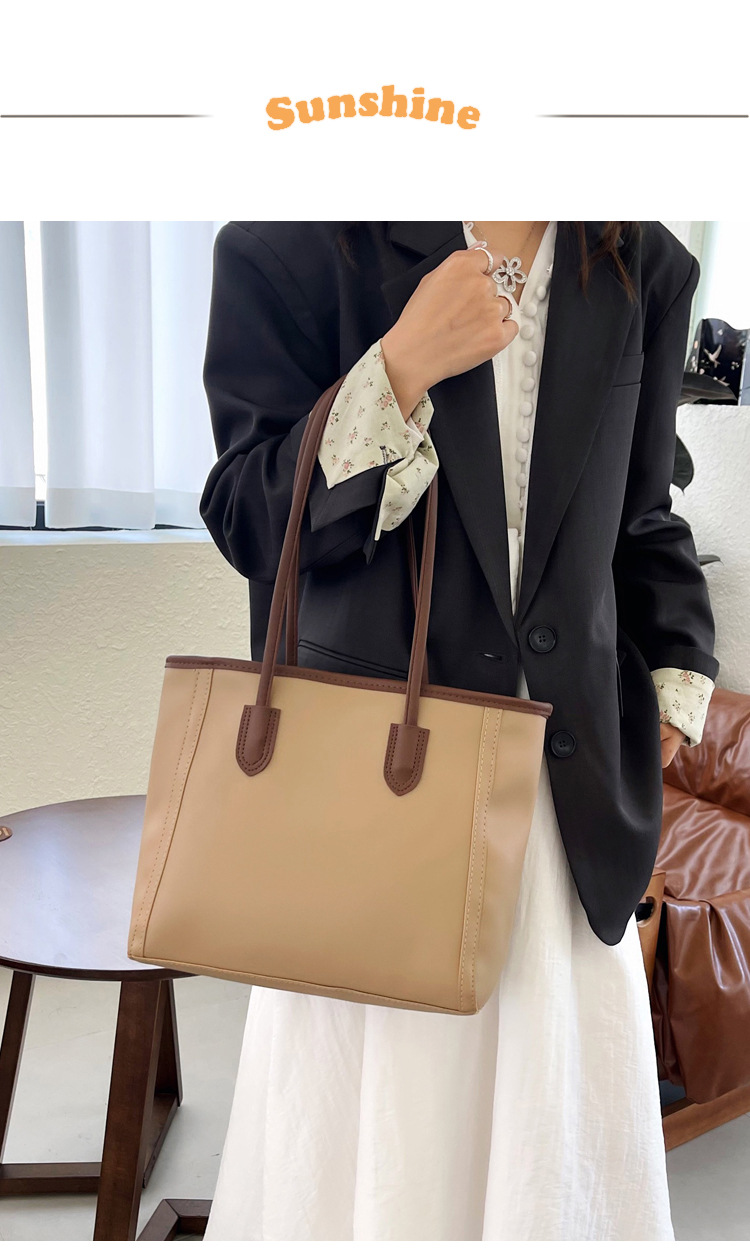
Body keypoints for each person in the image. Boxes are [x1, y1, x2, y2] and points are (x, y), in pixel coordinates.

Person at [198, 221, 719, 1240]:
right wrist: (398, 369)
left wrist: (676, 675)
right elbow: (249, 517)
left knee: (551, 1148)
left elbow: (642, 515)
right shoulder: (294, 245)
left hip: (566, 812)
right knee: (381, 1147)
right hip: (371, 811)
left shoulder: (642, 263)